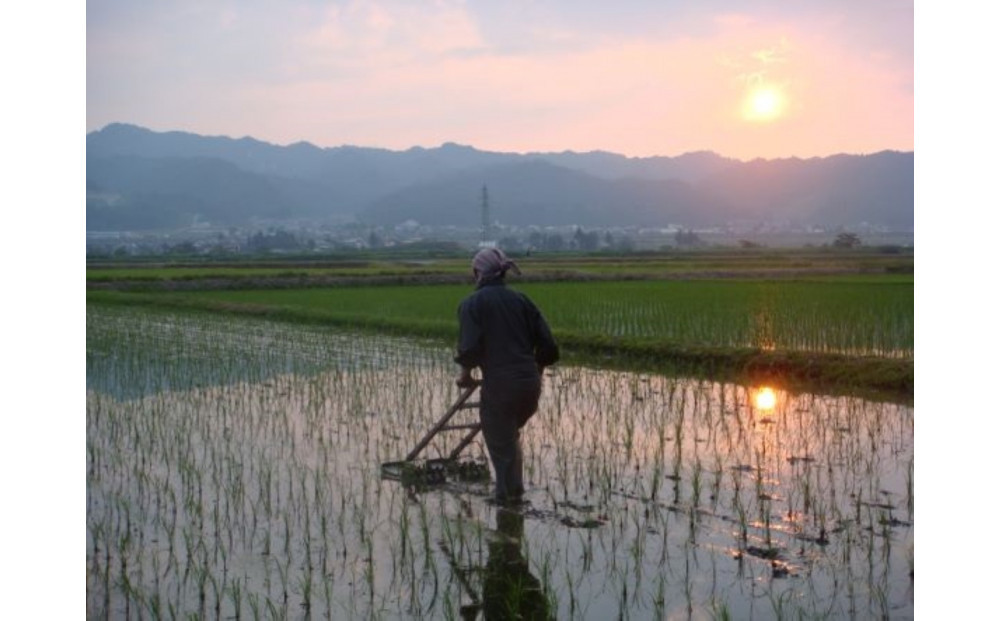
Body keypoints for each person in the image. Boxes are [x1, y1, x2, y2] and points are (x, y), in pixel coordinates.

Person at [455, 247, 559, 505]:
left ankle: (508, 510)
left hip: (500, 387)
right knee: (510, 441)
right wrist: (535, 372)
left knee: (502, 451)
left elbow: (468, 349)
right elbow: (549, 347)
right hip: (529, 388)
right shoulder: (522, 300)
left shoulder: (472, 304)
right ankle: (516, 494)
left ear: (478, 273)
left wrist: (465, 375)